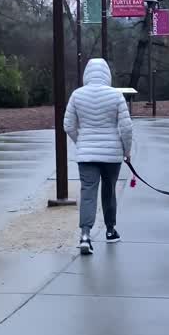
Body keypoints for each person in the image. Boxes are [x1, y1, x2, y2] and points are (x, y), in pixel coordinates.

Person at [64, 58, 134, 255]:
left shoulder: (77, 95)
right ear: (107, 74)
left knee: (88, 192)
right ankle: (110, 231)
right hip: (112, 153)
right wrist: (126, 150)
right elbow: (126, 127)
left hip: (86, 155)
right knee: (109, 190)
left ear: (87, 74)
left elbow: (68, 125)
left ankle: (85, 235)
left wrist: (81, 141)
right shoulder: (116, 95)